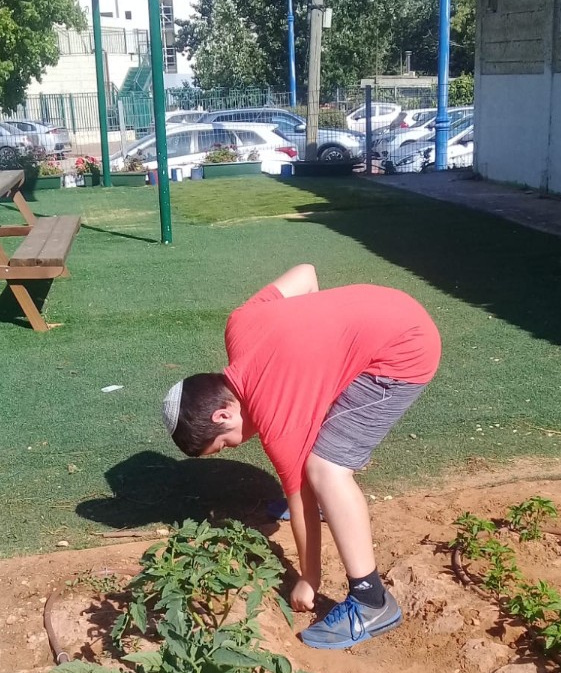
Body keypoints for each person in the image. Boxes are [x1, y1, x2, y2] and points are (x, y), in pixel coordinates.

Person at [162, 264, 441, 649]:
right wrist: (312, 349)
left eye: (224, 443)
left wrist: (309, 578)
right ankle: (339, 509)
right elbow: (307, 274)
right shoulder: (239, 325)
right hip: (392, 307)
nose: (237, 446)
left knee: (325, 468)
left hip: (403, 353)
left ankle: (371, 600)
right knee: (319, 449)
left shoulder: (276, 416)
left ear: (222, 414)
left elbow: (301, 504)